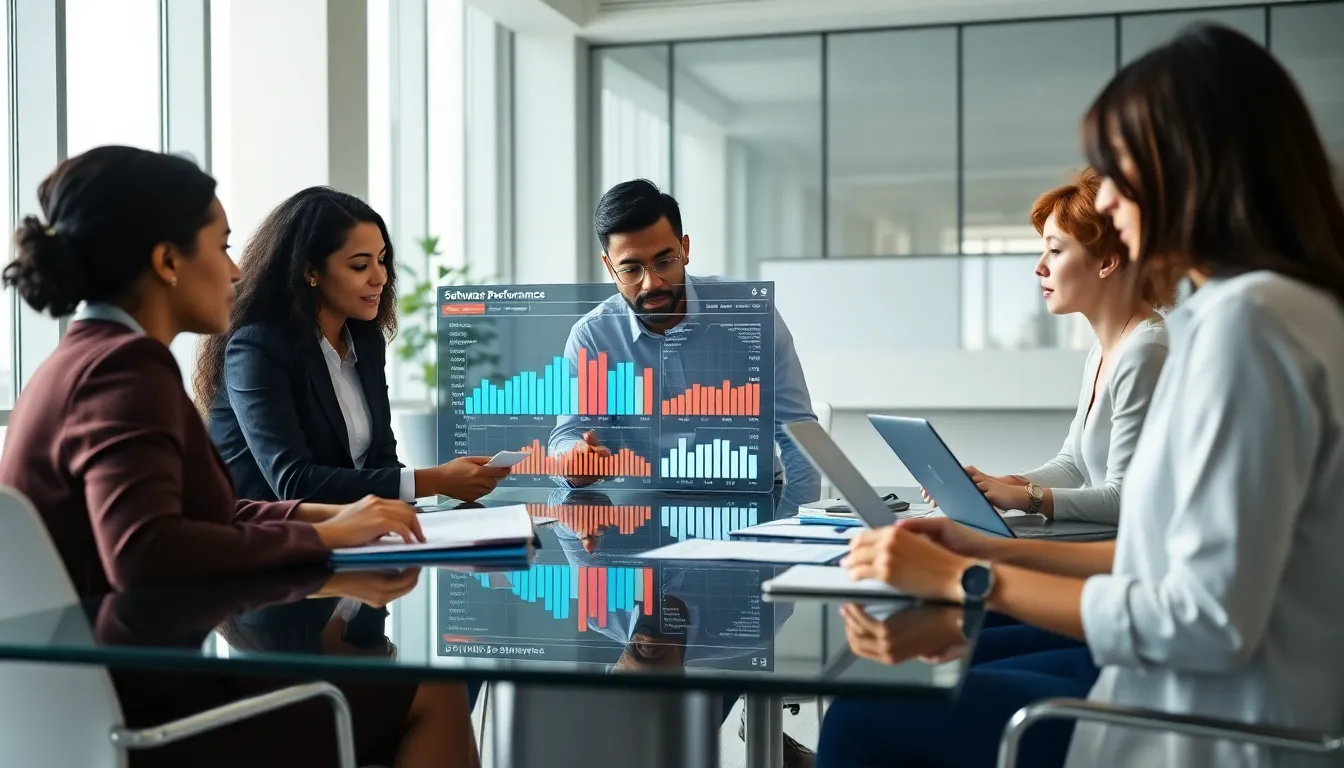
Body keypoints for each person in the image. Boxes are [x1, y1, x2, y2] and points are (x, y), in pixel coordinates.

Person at [821, 23, 1344, 768]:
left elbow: (1202, 621)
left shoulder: (1250, 325)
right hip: (1181, 692)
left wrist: (971, 578)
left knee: (862, 719)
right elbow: (1162, 557)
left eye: (1117, 171)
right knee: (897, 690)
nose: (1102, 197)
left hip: (1201, 730)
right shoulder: (1276, 313)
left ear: (1189, 167)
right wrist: (971, 543)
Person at [0, 146, 479, 768]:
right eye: (223, 246)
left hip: (104, 699)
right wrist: (321, 549)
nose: (235, 271)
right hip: (150, 718)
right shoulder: (123, 369)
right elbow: (147, 552)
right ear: (167, 261)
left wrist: (323, 523)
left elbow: (199, 519)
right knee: (434, 692)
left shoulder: (84, 358)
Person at [197, 187, 509, 507]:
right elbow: (293, 482)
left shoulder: (366, 341)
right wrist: (436, 480)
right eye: (360, 266)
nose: (380, 277)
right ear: (310, 272)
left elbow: (382, 460)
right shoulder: (258, 348)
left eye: (382, 260)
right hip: (270, 542)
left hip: (350, 532)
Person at [928, 168, 1172, 525]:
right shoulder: (1106, 350)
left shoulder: (1146, 350)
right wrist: (998, 484)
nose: (1040, 267)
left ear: (1107, 262)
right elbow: (1072, 463)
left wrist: (1023, 498)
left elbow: (1125, 500)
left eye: (1056, 250)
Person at [548, 179, 820, 499]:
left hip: (751, 499)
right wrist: (575, 462)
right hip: (643, 510)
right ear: (609, 267)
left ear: (685, 249)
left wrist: (797, 526)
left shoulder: (750, 313)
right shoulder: (593, 336)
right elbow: (565, 437)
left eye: (664, 262)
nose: (652, 284)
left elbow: (798, 434)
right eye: (631, 269)